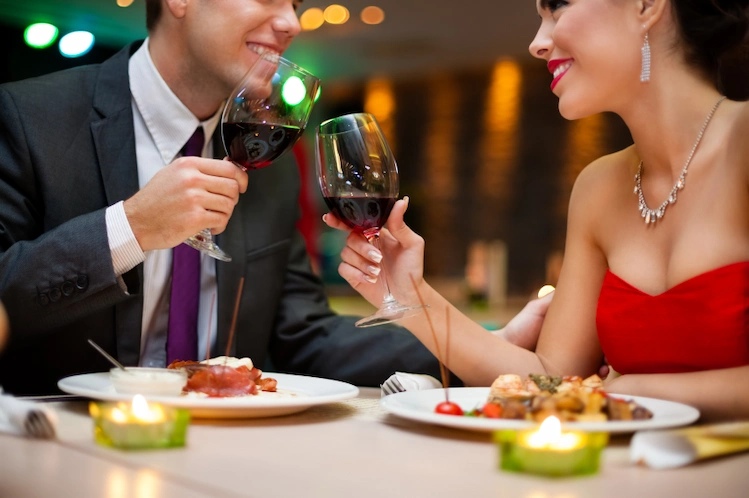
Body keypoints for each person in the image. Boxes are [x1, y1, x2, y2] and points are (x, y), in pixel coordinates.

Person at [0, 0, 547, 395]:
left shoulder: (269, 163)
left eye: (296, 2)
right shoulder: (29, 119)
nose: (291, 21)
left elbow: (301, 334)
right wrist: (131, 228)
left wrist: (476, 345)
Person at [326, 0, 749, 421]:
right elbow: (550, 380)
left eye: (558, 8)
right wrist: (410, 295)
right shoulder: (599, 187)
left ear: (645, 5)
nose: (537, 43)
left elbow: (601, 395)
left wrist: (637, 390)